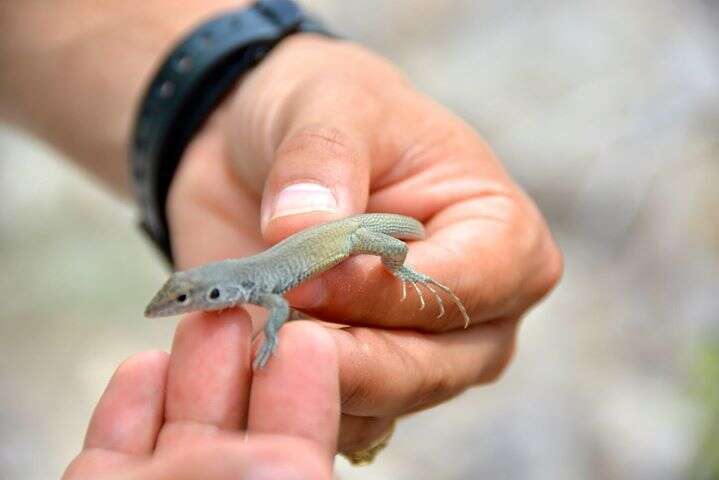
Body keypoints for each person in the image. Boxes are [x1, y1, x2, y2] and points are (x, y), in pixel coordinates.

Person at [0, 1, 562, 478]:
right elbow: (271, 300)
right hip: (335, 236)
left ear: (212, 294)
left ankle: (405, 269)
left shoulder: (249, 284)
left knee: (384, 254)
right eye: (180, 298)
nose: (176, 308)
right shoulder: (238, 280)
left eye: (182, 299)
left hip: (353, 233)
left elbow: (276, 301)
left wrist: (392, 270)